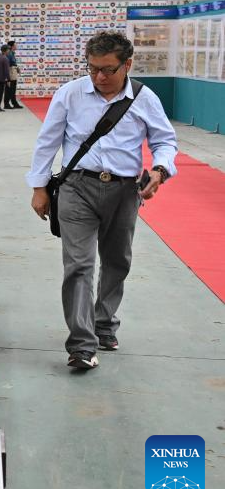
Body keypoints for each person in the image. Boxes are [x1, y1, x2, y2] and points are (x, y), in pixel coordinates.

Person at [27, 31, 178, 371]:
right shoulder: (70, 93)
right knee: (78, 265)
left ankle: (104, 322)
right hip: (77, 188)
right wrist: (39, 187)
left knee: (116, 261)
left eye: (108, 69)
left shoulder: (144, 98)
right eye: (93, 68)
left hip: (125, 192)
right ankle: (82, 345)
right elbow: (47, 141)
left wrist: (160, 170)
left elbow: (165, 141)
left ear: (127, 64)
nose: (99, 77)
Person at [3, 40, 23, 109]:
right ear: (11, 46)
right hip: (10, 72)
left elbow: (13, 63)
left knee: (13, 88)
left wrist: (16, 67)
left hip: (13, 71)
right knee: (9, 88)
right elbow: (7, 64)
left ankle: (14, 103)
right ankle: (6, 104)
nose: (16, 46)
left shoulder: (12, 53)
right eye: (15, 45)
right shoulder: (9, 54)